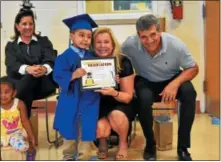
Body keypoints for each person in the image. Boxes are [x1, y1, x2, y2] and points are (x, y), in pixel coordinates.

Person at [121, 14, 199, 161]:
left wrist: (174, 84)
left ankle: (183, 147)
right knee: (142, 99)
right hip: (145, 80)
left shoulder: (176, 45)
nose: (149, 41)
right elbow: (116, 57)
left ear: (159, 30)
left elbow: (193, 68)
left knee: (189, 93)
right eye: (144, 37)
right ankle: (150, 145)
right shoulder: (129, 45)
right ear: (138, 35)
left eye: (153, 35)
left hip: (172, 78)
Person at [52, 13, 100, 161]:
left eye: (88, 36)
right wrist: (73, 75)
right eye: (81, 35)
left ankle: (84, 156)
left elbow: (100, 75)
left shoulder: (92, 57)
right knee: (69, 129)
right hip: (70, 99)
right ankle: (68, 156)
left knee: (86, 129)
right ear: (71, 36)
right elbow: (58, 76)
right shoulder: (63, 57)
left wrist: (110, 78)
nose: (85, 39)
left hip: (89, 99)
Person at [4, 6, 57, 118]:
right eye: (24, 24)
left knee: (30, 78)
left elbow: (51, 59)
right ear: (17, 26)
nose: (28, 27)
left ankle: (11, 113)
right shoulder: (11, 46)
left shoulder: (44, 41)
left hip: (42, 84)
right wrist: (28, 69)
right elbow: (11, 64)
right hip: (23, 86)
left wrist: (43, 69)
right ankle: (26, 129)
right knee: (20, 84)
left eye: (31, 24)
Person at [93, 27, 135, 160]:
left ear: (112, 45)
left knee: (117, 116)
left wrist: (114, 92)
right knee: (100, 126)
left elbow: (128, 97)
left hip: (119, 103)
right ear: (93, 45)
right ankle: (103, 143)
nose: (102, 46)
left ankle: (123, 144)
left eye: (106, 42)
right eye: (98, 42)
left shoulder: (123, 62)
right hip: (97, 104)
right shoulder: (88, 62)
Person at [0, 76, 36, 160]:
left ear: (14, 93)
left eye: (6, 92)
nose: (3, 95)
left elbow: (25, 121)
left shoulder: (19, 104)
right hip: (1, 135)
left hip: (15, 134)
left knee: (22, 146)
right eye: (0, 92)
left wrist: (32, 137)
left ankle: (31, 152)